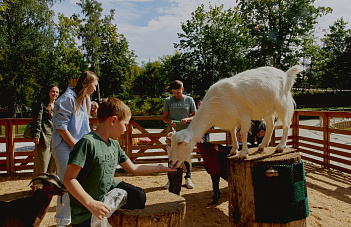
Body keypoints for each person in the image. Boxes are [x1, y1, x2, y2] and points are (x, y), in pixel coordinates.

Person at [63, 97, 176, 226]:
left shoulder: (114, 144)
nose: (125, 130)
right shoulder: (87, 143)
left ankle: (107, 206)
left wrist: (159, 167)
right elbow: (69, 179)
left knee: (139, 197)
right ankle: (102, 210)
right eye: (125, 124)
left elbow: (132, 168)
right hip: (85, 211)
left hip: (106, 189)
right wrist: (91, 203)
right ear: (113, 120)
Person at [52, 71, 98, 226]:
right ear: (87, 83)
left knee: (80, 182)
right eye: (95, 85)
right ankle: (62, 221)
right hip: (64, 146)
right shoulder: (66, 99)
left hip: (77, 145)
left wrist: (92, 113)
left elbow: (82, 124)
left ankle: (78, 217)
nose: (96, 88)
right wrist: (77, 146)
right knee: (66, 182)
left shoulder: (85, 98)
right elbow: (61, 128)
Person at [163, 80, 197, 189]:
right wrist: (170, 122)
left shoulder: (189, 100)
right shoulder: (168, 100)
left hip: (186, 133)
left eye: (178, 92)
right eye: (174, 93)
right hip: (173, 133)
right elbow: (164, 118)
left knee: (186, 155)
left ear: (182, 90)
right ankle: (171, 179)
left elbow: (195, 116)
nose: (176, 95)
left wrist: (187, 119)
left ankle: (188, 178)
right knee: (171, 155)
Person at [31, 84, 60, 182]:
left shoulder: (58, 105)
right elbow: (37, 121)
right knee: (42, 163)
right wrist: (36, 135)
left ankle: (48, 185)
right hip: (44, 137)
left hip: (55, 138)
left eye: (56, 92)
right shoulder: (42, 104)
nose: (55, 94)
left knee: (53, 164)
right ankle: (38, 185)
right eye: (53, 91)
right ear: (48, 92)